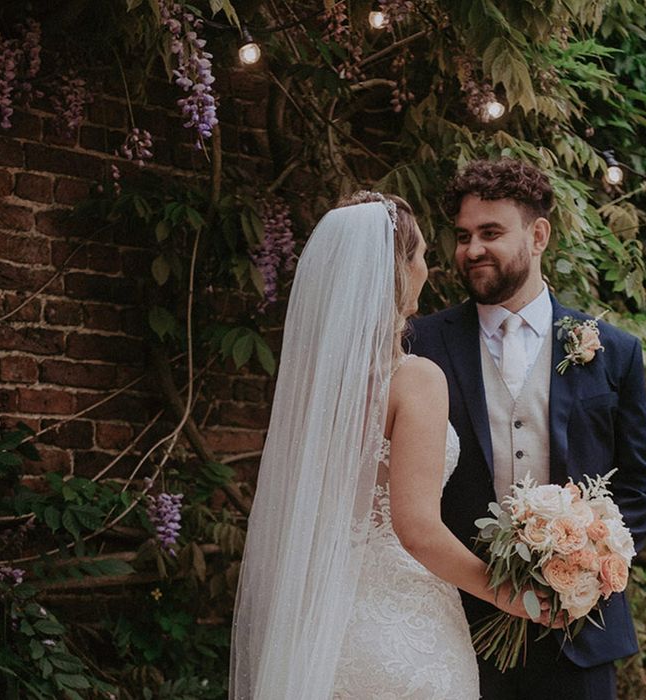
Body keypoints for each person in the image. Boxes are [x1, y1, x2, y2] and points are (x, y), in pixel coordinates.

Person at [229, 191, 558, 700]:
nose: (429, 267)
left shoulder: (315, 392)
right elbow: (418, 530)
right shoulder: (415, 379)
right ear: (398, 270)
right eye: (422, 254)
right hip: (404, 633)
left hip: (318, 628)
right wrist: (512, 596)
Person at [409, 158, 646, 700]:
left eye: (491, 232)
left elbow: (640, 486)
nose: (471, 249)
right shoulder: (421, 344)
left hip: (582, 633)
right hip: (462, 626)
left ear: (539, 235)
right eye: (462, 236)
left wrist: (595, 567)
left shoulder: (612, 351)